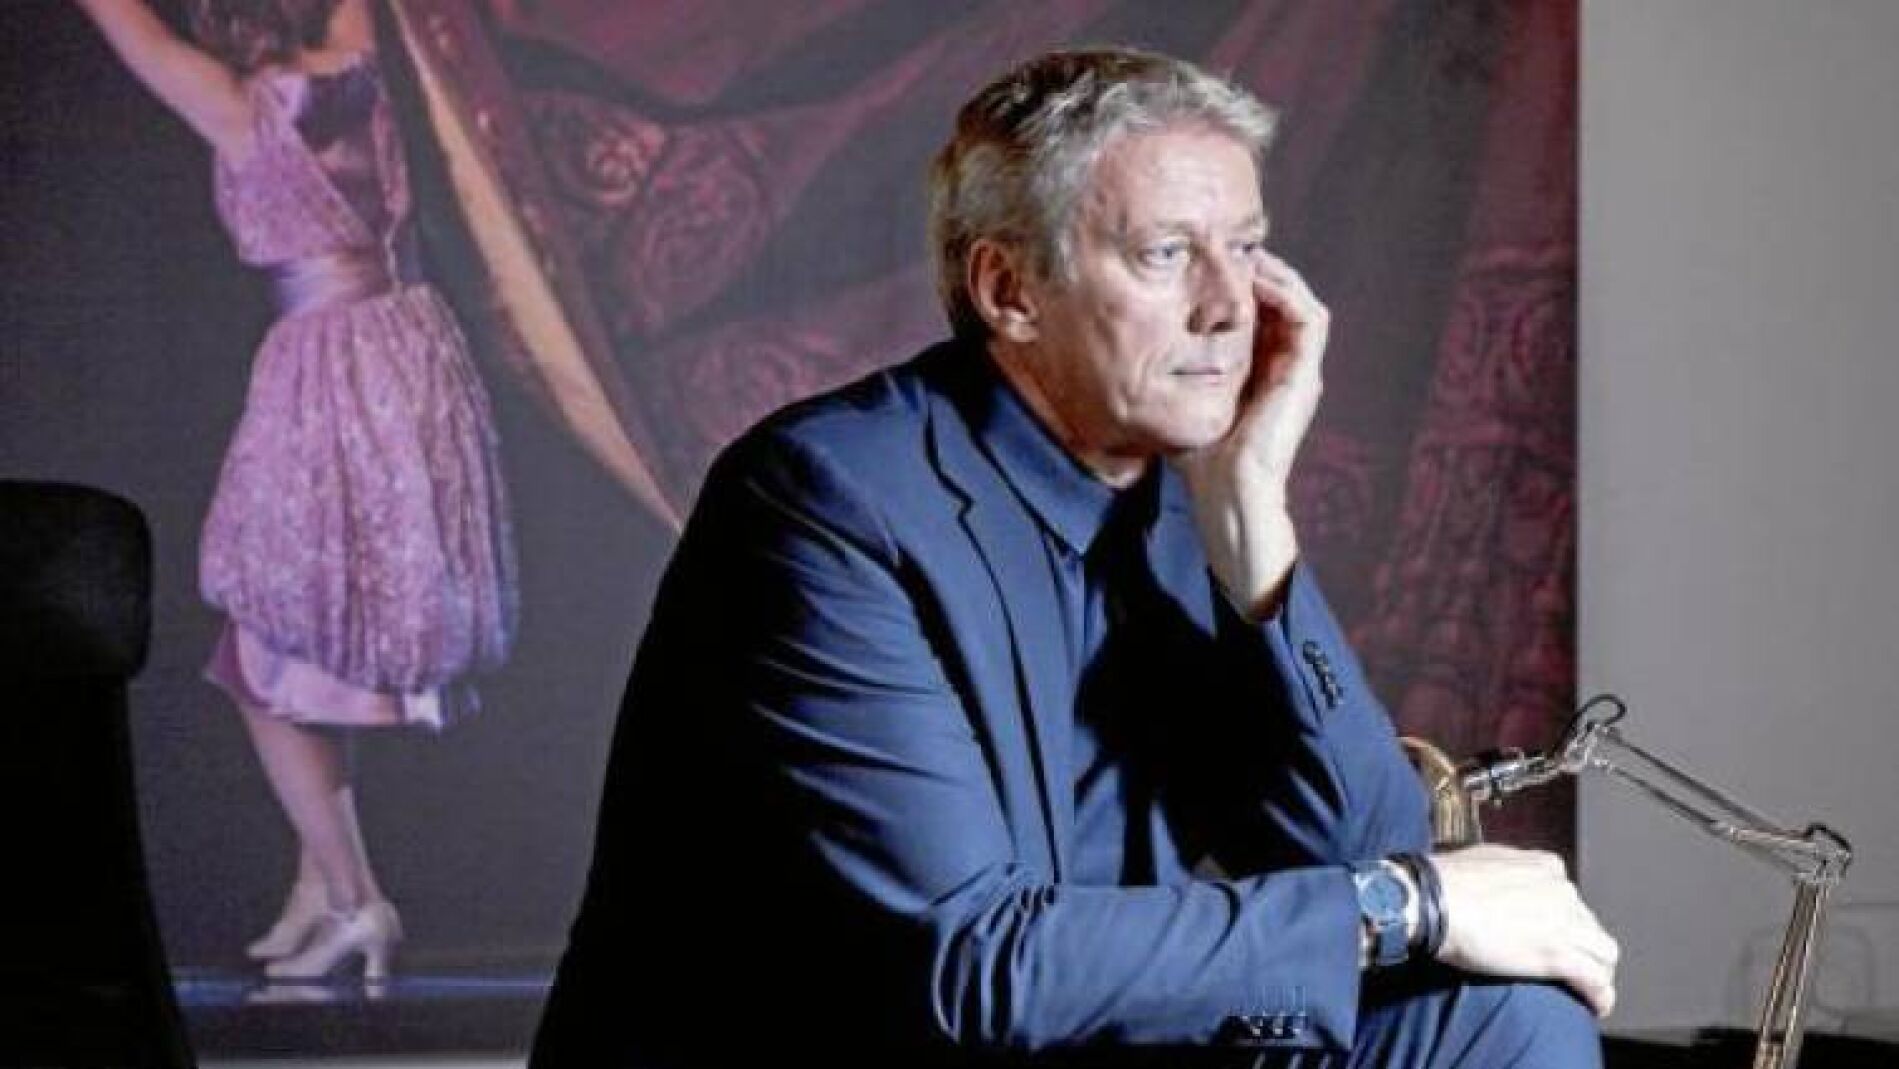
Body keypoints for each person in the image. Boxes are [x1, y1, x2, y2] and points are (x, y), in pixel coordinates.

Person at [532, 47, 1613, 1067]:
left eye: (1244, 248)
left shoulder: (1187, 497)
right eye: (1166, 254)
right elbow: (968, 967)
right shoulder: (826, 502)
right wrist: (1404, 904)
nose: (1229, 307)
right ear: (1009, 291)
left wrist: (1255, 525)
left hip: (1076, 1041)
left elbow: (1368, 841)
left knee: (1503, 1017)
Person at [74, 0, 517, 982]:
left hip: (328, 370)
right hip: (411, 351)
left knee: (267, 646)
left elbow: (126, 24)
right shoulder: (360, 58)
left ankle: (359, 900)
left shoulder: (243, 106)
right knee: (319, 637)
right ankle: (320, 880)